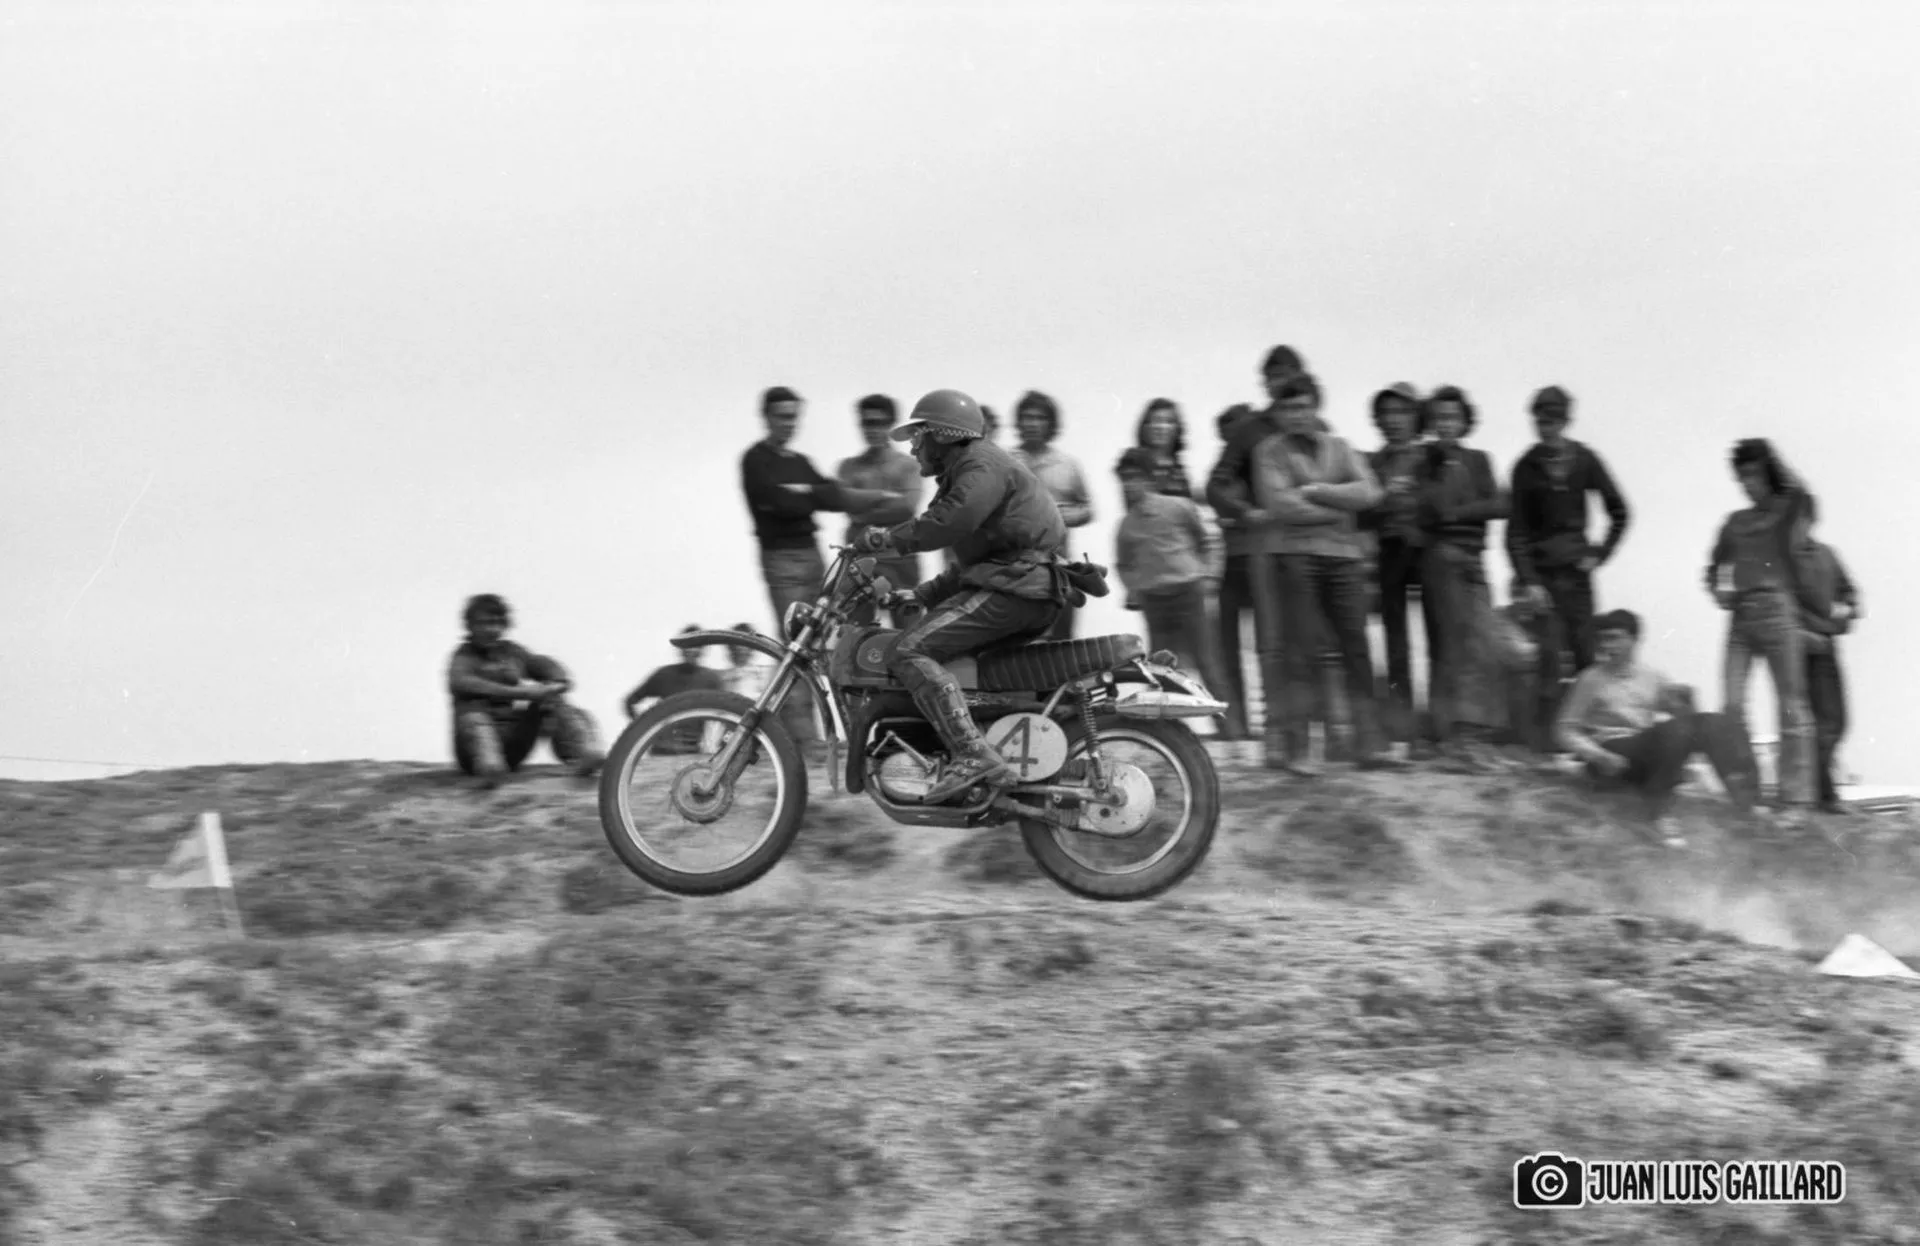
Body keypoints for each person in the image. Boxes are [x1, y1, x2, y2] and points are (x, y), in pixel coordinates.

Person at [858, 389, 1077, 803]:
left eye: (918, 436)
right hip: (1019, 585)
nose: (913, 447)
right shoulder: (969, 472)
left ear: (943, 434)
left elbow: (947, 523)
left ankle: (972, 754)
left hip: (1015, 588)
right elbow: (971, 563)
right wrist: (920, 593)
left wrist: (887, 539)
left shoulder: (979, 465)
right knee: (963, 668)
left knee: (907, 651)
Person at [1215, 373, 1396, 774]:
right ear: (1278, 413)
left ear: (1317, 406)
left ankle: (1370, 743)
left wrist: (1316, 492)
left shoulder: (1341, 447)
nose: (1297, 415)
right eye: (1288, 408)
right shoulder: (1269, 451)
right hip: (1295, 557)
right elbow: (1281, 505)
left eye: (1303, 406)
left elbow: (1371, 493)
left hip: (1344, 558)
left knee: (1356, 647)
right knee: (1303, 649)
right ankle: (1300, 750)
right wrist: (1339, 509)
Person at [739, 385, 896, 747]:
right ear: (766, 417)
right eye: (782, 416)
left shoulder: (800, 462)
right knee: (797, 645)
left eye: (793, 417)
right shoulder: (755, 460)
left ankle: (855, 737)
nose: (788, 423)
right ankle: (805, 741)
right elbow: (774, 502)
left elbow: (833, 497)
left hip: (813, 557)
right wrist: (809, 495)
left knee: (832, 643)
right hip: (781, 559)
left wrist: (803, 493)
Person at [1555, 609, 1757, 847]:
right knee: (1674, 731)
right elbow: (1564, 729)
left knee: (1718, 722)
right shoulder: (1590, 679)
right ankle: (1658, 813)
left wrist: (1686, 703)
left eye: (1615, 638)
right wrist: (1598, 755)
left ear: (1634, 639)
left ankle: (1744, 804)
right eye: (1604, 639)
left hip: (1643, 749)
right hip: (1611, 752)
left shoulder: (1652, 677)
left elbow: (1687, 721)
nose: (1608, 645)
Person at [1705, 438, 1816, 823]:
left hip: (1778, 610)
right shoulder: (1735, 523)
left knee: (1791, 703)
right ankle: (1748, 791)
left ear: (1767, 473)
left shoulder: (1786, 511)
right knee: (1732, 704)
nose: (1748, 483)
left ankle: (1795, 799)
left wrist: (1772, 462)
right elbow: (1713, 568)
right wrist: (1718, 589)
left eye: (1753, 474)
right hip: (1741, 615)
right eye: (1742, 477)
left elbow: (1803, 495)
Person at [1505, 385, 1631, 716]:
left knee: (1586, 656)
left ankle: (1588, 732)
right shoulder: (1525, 467)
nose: (1546, 427)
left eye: (1552, 420)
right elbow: (1515, 533)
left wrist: (1599, 554)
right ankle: (1546, 739)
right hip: (1543, 580)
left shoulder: (1585, 460)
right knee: (1548, 658)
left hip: (1577, 578)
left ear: (1565, 421)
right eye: (1540, 421)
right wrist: (1530, 582)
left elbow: (1620, 512)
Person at [1414, 385, 1512, 771]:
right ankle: (1451, 738)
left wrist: (1457, 513)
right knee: (1454, 646)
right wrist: (1463, 508)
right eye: (1439, 418)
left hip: (1474, 559)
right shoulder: (1424, 461)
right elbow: (1430, 508)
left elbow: (1501, 504)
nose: (1446, 425)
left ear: (1465, 421)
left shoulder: (1479, 460)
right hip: (1442, 558)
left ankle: (1469, 736)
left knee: (1482, 645)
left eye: (1453, 417)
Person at [446, 594, 604, 788]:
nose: (491, 630)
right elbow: (463, 683)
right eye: (483, 623)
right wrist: (522, 693)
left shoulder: (511, 652)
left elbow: (540, 663)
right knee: (472, 715)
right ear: (470, 626)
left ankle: (584, 752)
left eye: (496, 623)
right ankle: (489, 768)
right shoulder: (463, 657)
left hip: (512, 746)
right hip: (474, 752)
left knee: (551, 701)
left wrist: (558, 682)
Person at [1361, 381, 1437, 752]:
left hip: (1430, 554)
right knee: (1396, 646)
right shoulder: (1372, 463)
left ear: (1417, 417)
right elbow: (1361, 514)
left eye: (1403, 411)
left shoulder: (1432, 457)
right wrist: (1383, 498)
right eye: (1387, 413)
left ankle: (1436, 729)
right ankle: (1405, 727)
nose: (1394, 420)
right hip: (1389, 555)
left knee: (1439, 640)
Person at [1114, 447, 1224, 694]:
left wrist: (1210, 576)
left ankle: (1226, 718)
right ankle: (1164, 718)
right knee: (1160, 667)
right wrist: (1135, 588)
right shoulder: (1126, 524)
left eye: (1135, 477)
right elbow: (1123, 564)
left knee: (1207, 660)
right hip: (1154, 600)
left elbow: (1206, 542)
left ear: (1150, 479)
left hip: (1188, 592)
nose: (1129, 485)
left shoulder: (1179, 507)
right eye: (1124, 479)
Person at [1789, 498, 1860, 814]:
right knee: (1814, 723)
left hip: (1826, 647)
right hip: (1795, 651)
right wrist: (1804, 635)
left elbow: (1850, 594)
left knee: (1836, 722)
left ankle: (1819, 792)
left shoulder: (1827, 555)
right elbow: (1778, 609)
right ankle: (1820, 794)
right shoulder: (1781, 562)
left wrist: (1843, 613)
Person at [837, 394, 926, 627]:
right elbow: (846, 505)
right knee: (856, 633)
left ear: (891, 425)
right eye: (867, 423)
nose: (872, 429)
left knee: (909, 634)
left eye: (879, 423)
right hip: (861, 561)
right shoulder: (849, 467)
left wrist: (863, 505)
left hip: (900, 559)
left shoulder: (908, 465)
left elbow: (907, 506)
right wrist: (886, 497)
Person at [1011, 391, 1094, 639]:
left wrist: (1063, 516)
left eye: (1039, 418)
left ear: (1051, 424)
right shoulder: (1006, 462)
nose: (1032, 423)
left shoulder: (1067, 464)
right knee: (1019, 641)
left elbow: (1087, 509)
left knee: (1062, 641)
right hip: (1014, 568)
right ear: (1018, 423)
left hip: (1059, 567)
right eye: (1027, 417)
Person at [1210, 403, 1260, 743]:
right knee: (1228, 647)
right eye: (1228, 435)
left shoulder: (1262, 467)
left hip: (1258, 560)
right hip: (1231, 562)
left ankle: (1259, 720)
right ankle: (1238, 722)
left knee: (1266, 644)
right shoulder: (1225, 471)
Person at [623, 625, 725, 753]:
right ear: (680, 648)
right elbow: (630, 701)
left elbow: (723, 715)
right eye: (688, 646)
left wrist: (714, 744)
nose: (692, 650)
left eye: (697, 646)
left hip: (692, 751)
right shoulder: (663, 675)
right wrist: (644, 731)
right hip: (661, 750)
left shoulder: (711, 679)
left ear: (703, 650)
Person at [1133, 398, 1195, 497]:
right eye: (1156, 421)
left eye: (1168, 422)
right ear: (1145, 427)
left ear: (1177, 429)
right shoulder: (1133, 460)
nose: (1160, 427)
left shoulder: (1177, 469)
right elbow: (1143, 500)